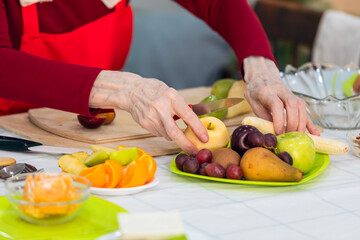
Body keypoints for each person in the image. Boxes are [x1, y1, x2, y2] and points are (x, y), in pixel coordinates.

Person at [0, 0, 319, 155]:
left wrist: (261, 68)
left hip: (87, 143)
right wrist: (123, 89)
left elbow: (219, 4)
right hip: (10, 144)